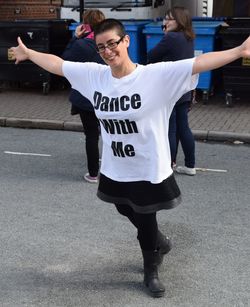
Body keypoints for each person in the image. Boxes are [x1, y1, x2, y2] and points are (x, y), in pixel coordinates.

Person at [10, 19, 250, 298]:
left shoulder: (155, 76)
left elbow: (200, 63)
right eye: (101, 47)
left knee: (146, 216)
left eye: (112, 43)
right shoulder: (95, 75)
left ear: (126, 42)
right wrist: (30, 53)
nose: (108, 51)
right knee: (124, 208)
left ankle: (151, 268)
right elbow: (57, 64)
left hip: (148, 166)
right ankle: (159, 241)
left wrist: (238, 51)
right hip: (116, 166)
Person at [147, 6, 196, 175]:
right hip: (184, 88)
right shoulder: (188, 37)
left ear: (179, 21)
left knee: (171, 128)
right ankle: (190, 165)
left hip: (169, 89)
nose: (165, 21)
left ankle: (169, 164)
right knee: (184, 127)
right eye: (165, 18)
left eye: (169, 19)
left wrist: (166, 35)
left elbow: (151, 56)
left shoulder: (171, 38)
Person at [62, 9, 105, 183]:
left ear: (85, 25)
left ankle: (93, 174)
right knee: (111, 134)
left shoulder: (81, 44)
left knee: (92, 135)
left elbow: (65, 61)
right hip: (107, 96)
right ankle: (113, 170)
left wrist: (75, 38)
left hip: (86, 98)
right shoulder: (108, 44)